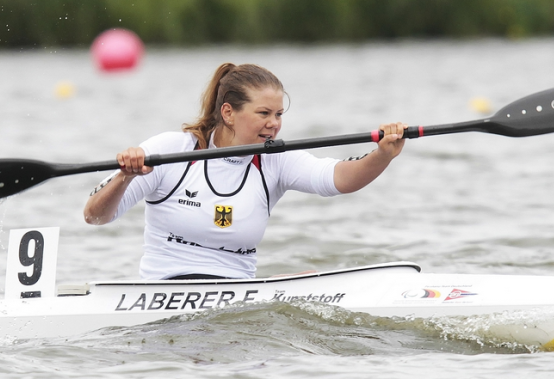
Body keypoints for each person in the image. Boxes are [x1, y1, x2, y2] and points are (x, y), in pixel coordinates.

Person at [84, 63, 406, 280]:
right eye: (264, 113)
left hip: (236, 299)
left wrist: (382, 155)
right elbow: (94, 216)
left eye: (279, 113)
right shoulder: (173, 150)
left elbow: (338, 178)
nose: (274, 124)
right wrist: (125, 176)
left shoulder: (275, 160)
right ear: (228, 113)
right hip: (162, 295)